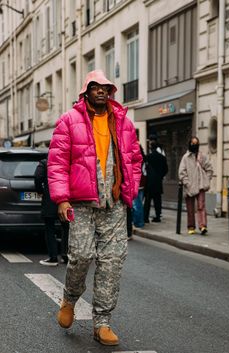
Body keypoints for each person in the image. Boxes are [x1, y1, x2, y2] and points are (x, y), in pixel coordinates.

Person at [47, 70, 142, 346]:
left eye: (105, 87)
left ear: (110, 92)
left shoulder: (123, 122)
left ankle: (102, 322)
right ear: (86, 91)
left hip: (113, 204)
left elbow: (135, 158)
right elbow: (57, 163)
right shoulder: (69, 121)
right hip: (81, 202)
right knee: (81, 255)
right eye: (95, 86)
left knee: (112, 262)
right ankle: (69, 299)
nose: (101, 90)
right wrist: (62, 198)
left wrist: (131, 188)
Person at [34, 159, 69, 266]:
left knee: (50, 229)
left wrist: (40, 190)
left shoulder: (45, 162)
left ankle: (53, 258)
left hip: (50, 199)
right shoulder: (66, 161)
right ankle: (66, 255)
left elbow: (38, 177)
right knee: (66, 227)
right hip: (66, 199)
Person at [178, 136, 213, 235]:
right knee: (190, 208)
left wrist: (206, 179)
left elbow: (209, 169)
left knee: (201, 206)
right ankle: (191, 226)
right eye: (192, 143)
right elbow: (181, 172)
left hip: (200, 185)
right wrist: (187, 183)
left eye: (196, 143)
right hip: (189, 186)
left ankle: (203, 226)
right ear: (189, 144)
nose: (194, 145)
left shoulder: (202, 156)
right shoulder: (185, 157)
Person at [144, 138, 168, 223]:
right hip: (158, 182)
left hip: (149, 181)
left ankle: (145, 217)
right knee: (157, 200)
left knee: (148, 201)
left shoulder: (148, 157)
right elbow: (166, 169)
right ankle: (158, 216)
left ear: (150, 147)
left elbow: (144, 169)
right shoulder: (162, 157)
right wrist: (160, 176)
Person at [132, 144, 146, 228]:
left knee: (137, 205)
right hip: (142, 184)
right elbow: (144, 173)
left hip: (136, 184)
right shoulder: (143, 159)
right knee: (139, 204)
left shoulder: (135, 159)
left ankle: (139, 222)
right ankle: (139, 221)